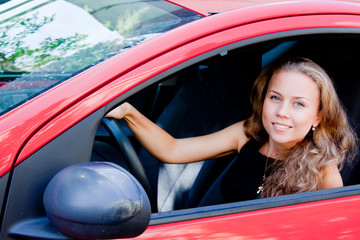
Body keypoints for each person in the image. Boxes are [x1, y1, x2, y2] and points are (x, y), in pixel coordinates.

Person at [106, 57, 358, 202]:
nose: (282, 112)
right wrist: (128, 112)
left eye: (299, 104)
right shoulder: (247, 134)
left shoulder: (323, 170)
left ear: (318, 117)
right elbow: (172, 149)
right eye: (275, 98)